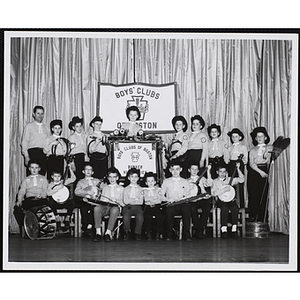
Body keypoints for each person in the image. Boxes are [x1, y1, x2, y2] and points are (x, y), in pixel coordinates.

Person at [207, 162, 244, 239]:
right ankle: (224, 230)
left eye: (224, 172)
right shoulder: (215, 181)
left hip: (230, 200)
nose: (222, 173)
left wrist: (238, 169)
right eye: (220, 171)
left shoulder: (230, 179)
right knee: (224, 208)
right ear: (217, 172)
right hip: (221, 201)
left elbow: (241, 179)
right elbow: (213, 193)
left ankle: (234, 229)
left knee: (235, 208)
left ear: (226, 172)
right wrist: (223, 190)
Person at [161, 161, 192, 241]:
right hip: (171, 203)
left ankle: (187, 232)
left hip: (182, 203)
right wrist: (168, 199)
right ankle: (169, 232)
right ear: (170, 170)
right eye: (173, 169)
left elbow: (188, 194)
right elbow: (161, 195)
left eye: (177, 169)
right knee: (169, 211)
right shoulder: (166, 181)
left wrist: (183, 198)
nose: (175, 172)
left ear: (181, 169)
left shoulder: (185, 181)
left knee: (186, 209)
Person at [247, 126, 272, 222]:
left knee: (263, 195)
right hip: (254, 172)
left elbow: (267, 159)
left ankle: (263, 218)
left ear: (265, 137)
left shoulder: (269, 148)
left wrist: (266, 153)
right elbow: (251, 163)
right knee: (253, 195)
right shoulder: (252, 150)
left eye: (262, 136)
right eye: (258, 136)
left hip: (264, 170)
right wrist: (260, 172)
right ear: (255, 138)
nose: (260, 138)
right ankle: (253, 216)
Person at [93, 167, 124, 242]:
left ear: (117, 178)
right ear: (108, 178)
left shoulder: (122, 188)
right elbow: (102, 200)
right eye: (110, 177)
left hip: (115, 207)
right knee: (97, 208)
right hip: (105, 207)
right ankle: (98, 233)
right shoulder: (105, 188)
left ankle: (108, 233)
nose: (112, 179)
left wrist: (117, 201)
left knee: (114, 210)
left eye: (114, 177)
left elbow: (124, 202)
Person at [74, 163, 102, 237]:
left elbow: (103, 189)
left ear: (93, 172)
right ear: (83, 171)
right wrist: (86, 192)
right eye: (86, 169)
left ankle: (90, 226)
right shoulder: (80, 182)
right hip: (85, 200)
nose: (88, 171)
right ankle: (85, 227)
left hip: (95, 201)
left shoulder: (97, 181)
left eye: (90, 170)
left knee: (95, 209)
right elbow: (76, 192)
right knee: (84, 208)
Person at [21, 106, 49, 176]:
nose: (40, 116)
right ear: (34, 114)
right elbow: (24, 142)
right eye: (38, 113)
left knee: (42, 176)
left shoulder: (46, 128)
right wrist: (26, 156)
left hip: (43, 154)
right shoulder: (29, 126)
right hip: (32, 153)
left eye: (42, 114)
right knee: (31, 177)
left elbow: (49, 143)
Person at [47, 166, 76, 231]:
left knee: (72, 202)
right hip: (55, 203)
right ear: (52, 176)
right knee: (50, 202)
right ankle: (57, 218)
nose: (57, 178)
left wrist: (70, 169)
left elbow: (73, 178)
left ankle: (67, 218)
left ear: (61, 177)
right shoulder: (50, 184)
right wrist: (58, 188)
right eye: (55, 176)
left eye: (58, 176)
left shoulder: (64, 182)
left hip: (64, 202)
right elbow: (48, 193)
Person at [187, 162, 212, 239]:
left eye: (196, 169)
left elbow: (210, 184)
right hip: (193, 200)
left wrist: (208, 171)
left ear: (198, 171)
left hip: (202, 199)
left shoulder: (202, 178)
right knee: (192, 208)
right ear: (189, 170)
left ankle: (198, 229)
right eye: (192, 169)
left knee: (207, 206)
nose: (194, 171)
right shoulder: (186, 181)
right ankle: (199, 230)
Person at [227, 128, 248, 208]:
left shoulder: (243, 147)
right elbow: (228, 158)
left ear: (240, 137)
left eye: (236, 136)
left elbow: (245, 159)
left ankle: (241, 206)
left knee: (240, 184)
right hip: (231, 165)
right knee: (231, 184)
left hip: (240, 165)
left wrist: (241, 163)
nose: (234, 138)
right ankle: (231, 205)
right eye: (233, 137)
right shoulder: (230, 147)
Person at [142, 172, 165, 240]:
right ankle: (148, 232)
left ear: (155, 182)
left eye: (152, 181)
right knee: (147, 216)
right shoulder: (144, 190)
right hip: (148, 206)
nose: (150, 183)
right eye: (148, 181)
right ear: (146, 183)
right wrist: (153, 199)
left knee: (160, 216)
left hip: (157, 206)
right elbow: (144, 199)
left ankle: (159, 232)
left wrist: (152, 199)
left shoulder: (158, 190)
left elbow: (160, 199)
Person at [122, 168, 144, 240]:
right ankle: (126, 232)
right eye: (132, 177)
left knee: (140, 216)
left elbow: (141, 201)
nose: (133, 178)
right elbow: (125, 201)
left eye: (135, 176)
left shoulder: (141, 189)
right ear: (128, 178)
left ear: (138, 178)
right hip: (128, 207)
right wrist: (135, 199)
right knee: (126, 216)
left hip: (137, 207)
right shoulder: (125, 189)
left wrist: (131, 200)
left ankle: (137, 233)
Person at [68, 116, 87, 183]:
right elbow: (70, 151)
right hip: (76, 158)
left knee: (84, 176)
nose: (79, 128)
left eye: (80, 126)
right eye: (77, 126)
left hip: (84, 157)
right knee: (77, 176)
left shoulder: (84, 136)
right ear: (73, 128)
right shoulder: (71, 137)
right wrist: (72, 162)